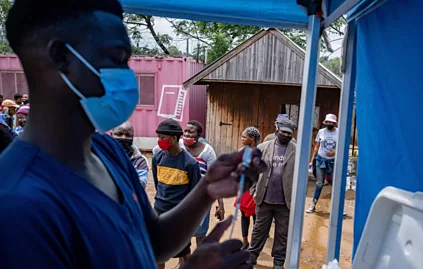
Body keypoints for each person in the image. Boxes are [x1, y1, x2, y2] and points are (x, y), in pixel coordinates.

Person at [0, 1, 267, 268]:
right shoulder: (17, 205)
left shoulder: (109, 152)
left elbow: (151, 243)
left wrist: (205, 188)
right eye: (116, 59)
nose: (128, 76)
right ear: (62, 57)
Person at [152, 118, 202, 269]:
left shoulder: (190, 163)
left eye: (162, 137)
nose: (159, 141)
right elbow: (157, 184)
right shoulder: (157, 158)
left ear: (173, 138)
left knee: (182, 251)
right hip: (159, 213)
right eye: (158, 137)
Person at [248, 119, 296, 269]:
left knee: (282, 233)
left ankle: (278, 261)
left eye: (289, 133)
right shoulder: (262, 148)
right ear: (277, 131)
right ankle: (252, 256)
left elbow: (301, 177)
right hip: (264, 197)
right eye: (283, 132)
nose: (286, 135)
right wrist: (253, 190)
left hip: (285, 201)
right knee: (259, 229)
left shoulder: (297, 150)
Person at [180, 120, 225, 245]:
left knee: (200, 232)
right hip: (180, 197)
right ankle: (183, 261)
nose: (187, 134)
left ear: (199, 135)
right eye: (185, 131)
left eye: (191, 132)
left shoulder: (207, 151)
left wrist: (220, 205)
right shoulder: (178, 146)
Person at [307, 114, 338, 213]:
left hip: (333, 162)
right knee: (319, 183)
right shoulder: (321, 132)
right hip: (320, 161)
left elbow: (342, 147)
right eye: (327, 122)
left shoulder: (339, 132)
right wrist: (312, 160)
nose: (329, 124)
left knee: (335, 184)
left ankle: (338, 208)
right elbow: (316, 146)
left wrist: (335, 152)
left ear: (334, 123)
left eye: (331, 122)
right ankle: (313, 204)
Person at [236, 126, 261, 250]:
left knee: (257, 217)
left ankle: (255, 244)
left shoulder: (260, 152)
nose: (242, 139)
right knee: (244, 216)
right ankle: (245, 241)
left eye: (244, 137)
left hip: (255, 188)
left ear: (252, 139)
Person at [111, 121, 149, 189]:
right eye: (119, 134)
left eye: (128, 135)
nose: (123, 138)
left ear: (133, 137)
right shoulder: (102, 156)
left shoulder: (140, 161)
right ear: (111, 135)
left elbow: (140, 186)